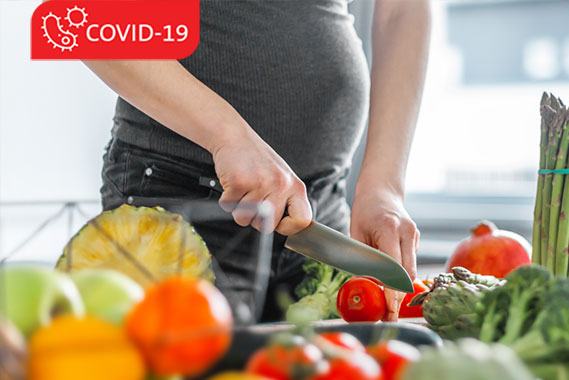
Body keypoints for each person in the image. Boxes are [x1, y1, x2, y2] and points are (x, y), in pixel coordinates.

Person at [86, 0, 431, 321]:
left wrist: (383, 186)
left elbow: (403, 9)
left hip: (321, 216)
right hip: (178, 202)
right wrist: (227, 137)